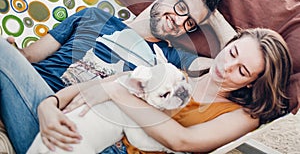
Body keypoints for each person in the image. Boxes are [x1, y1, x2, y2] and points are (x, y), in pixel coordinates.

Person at [0, 0, 221, 153]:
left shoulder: (170, 60)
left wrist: (214, 18)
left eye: (190, 22)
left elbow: (229, 63)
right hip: (23, 103)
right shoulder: (93, 16)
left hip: (71, 129)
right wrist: (11, 49)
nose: (180, 21)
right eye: (181, 8)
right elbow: (29, 56)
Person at [30, 27, 292, 153]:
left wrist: (119, 93)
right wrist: (48, 106)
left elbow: (182, 141)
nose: (226, 66)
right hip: (66, 125)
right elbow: (91, 87)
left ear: (251, 83)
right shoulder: (179, 77)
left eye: (242, 70)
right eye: (232, 52)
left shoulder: (243, 115)